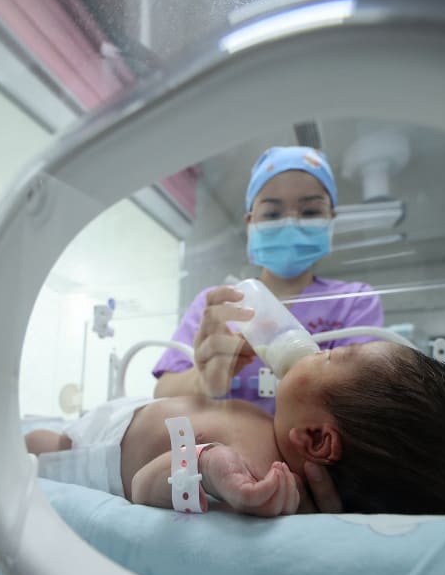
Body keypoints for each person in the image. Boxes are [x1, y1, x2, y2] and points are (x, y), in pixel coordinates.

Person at [26, 341, 445, 517]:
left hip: (92, 451)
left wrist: (205, 469)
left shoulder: (253, 472)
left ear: (318, 439)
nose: (315, 349)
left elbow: (142, 488)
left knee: (34, 444)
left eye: (334, 354)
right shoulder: (274, 436)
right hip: (120, 413)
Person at [151, 146, 384, 414]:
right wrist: (202, 381)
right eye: (272, 214)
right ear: (250, 223)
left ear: (331, 219)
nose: (290, 223)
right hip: (225, 450)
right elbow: (162, 390)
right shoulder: (219, 304)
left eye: (309, 212)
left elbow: (366, 398)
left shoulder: (353, 301)